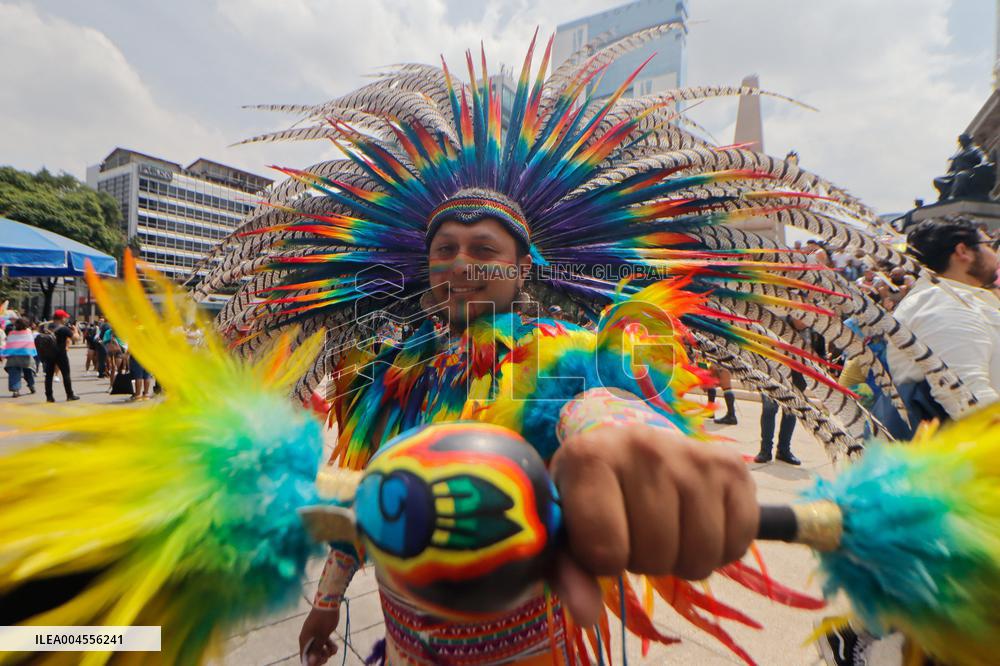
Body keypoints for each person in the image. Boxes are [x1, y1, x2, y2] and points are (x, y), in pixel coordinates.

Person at [874, 218, 1000, 438]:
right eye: (989, 244)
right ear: (963, 251)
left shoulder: (952, 298)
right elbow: (967, 395)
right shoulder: (942, 304)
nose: (995, 254)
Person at [41, 309, 78, 402]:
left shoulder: (46, 327)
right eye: (65, 317)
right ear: (62, 318)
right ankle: (70, 395)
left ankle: (49, 397)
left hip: (48, 354)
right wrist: (75, 330)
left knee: (48, 375)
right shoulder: (64, 328)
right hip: (61, 354)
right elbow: (75, 338)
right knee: (66, 374)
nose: (66, 319)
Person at [2, 318, 37, 397]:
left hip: (13, 357)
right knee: (28, 372)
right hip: (26, 356)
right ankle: (31, 386)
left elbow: (8, 344)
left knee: (14, 373)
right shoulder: (29, 332)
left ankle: (15, 390)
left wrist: (4, 355)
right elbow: (31, 344)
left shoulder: (11, 333)